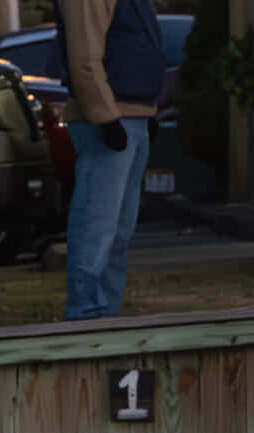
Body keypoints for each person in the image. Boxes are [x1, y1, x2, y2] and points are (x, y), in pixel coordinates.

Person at [53, 0, 166, 320]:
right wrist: (104, 116)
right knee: (97, 225)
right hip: (109, 119)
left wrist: (146, 111)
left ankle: (106, 315)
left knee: (119, 231)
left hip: (132, 116)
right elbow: (84, 59)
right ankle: (86, 313)